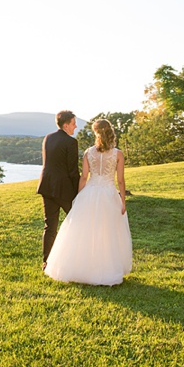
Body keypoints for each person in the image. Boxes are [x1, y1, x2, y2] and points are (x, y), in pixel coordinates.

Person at [44, 118, 132, 286]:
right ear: (110, 131)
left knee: (86, 231)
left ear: (96, 133)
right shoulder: (118, 154)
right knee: (107, 232)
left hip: (90, 193)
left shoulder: (88, 152)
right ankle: (105, 269)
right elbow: (120, 180)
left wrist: (79, 198)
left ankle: (80, 268)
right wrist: (123, 201)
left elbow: (84, 177)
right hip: (108, 193)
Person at [37, 110, 81, 270]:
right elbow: (72, 171)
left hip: (47, 186)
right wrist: (80, 190)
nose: (76, 126)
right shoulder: (71, 142)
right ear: (66, 124)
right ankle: (76, 259)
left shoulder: (48, 138)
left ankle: (47, 262)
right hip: (64, 190)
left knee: (50, 226)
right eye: (74, 123)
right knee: (78, 223)